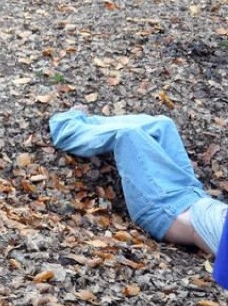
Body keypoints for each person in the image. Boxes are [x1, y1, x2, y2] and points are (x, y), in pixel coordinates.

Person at [49, 108, 227, 275]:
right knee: (164, 126)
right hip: (192, 192)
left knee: (128, 136)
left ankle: (65, 127)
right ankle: (88, 122)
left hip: (165, 208)